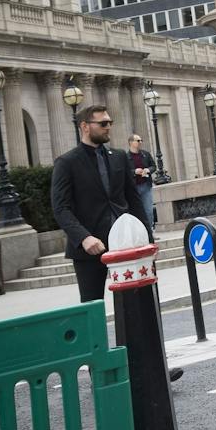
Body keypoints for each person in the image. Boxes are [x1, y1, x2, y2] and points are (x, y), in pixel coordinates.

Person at [50, 104, 151, 307]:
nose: (108, 127)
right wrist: (83, 237)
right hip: (90, 248)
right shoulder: (66, 162)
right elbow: (60, 207)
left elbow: (134, 201)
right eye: (103, 123)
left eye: (110, 123)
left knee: (136, 304)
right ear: (85, 126)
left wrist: (147, 238)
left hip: (125, 244)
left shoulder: (120, 157)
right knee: (92, 306)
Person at [127, 132, 158, 229]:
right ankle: (140, 233)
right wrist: (134, 172)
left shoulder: (146, 154)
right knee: (136, 212)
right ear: (131, 142)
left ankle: (150, 232)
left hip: (145, 186)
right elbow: (125, 171)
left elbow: (153, 166)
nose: (140, 142)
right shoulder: (125, 157)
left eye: (141, 140)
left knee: (148, 210)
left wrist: (148, 170)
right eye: (138, 140)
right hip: (133, 188)